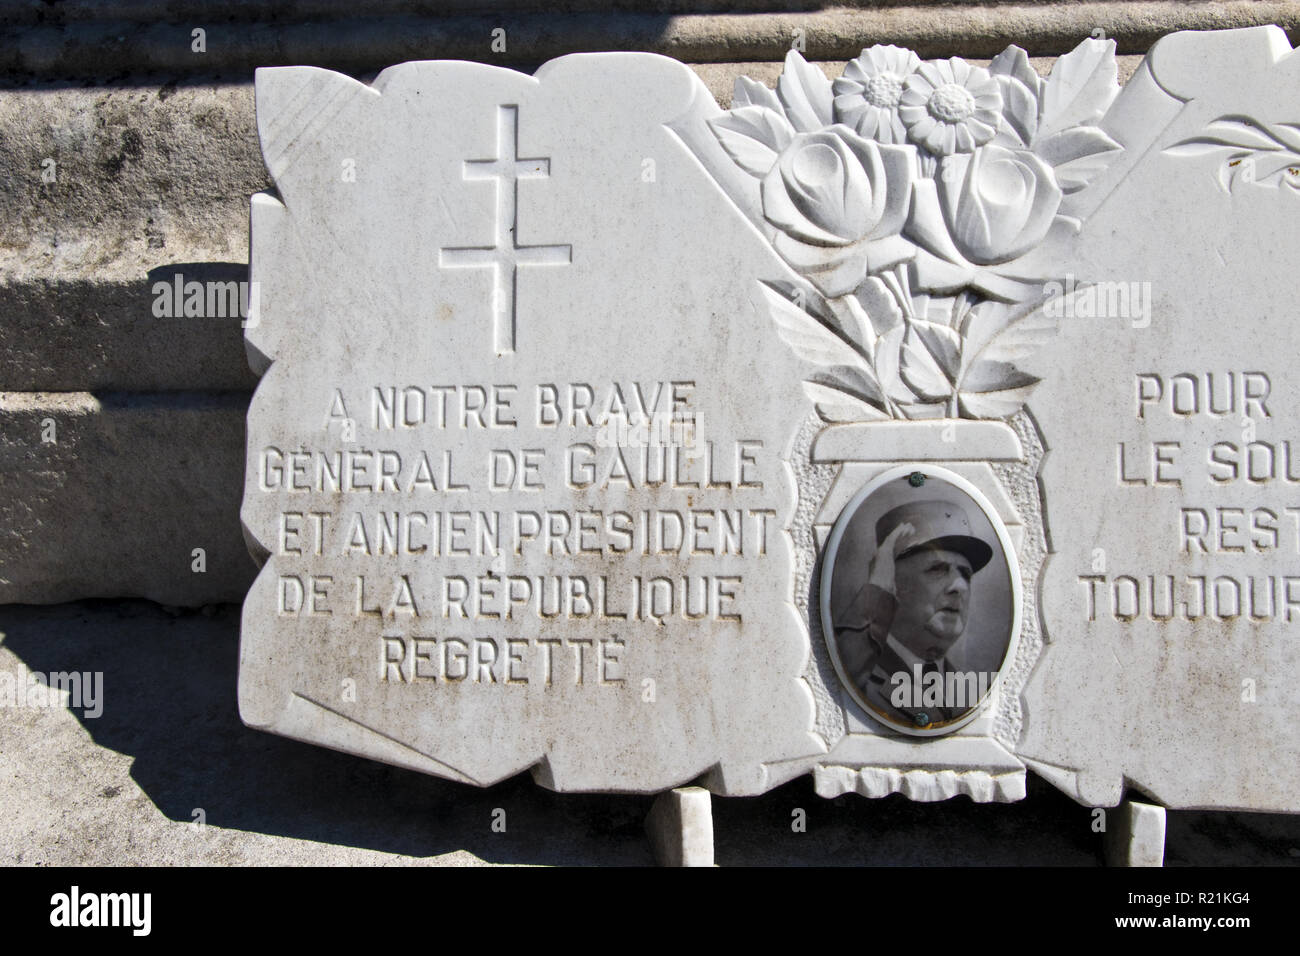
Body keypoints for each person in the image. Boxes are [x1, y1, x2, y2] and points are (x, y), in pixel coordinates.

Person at [833, 498, 994, 730]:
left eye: (965, 574)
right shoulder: (857, 672)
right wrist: (878, 588)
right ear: (892, 581)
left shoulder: (972, 691)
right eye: (938, 569)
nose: (960, 586)